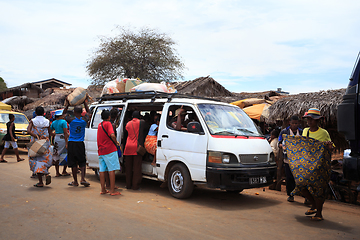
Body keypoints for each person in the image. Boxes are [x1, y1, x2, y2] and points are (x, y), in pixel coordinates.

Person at [287, 108, 333, 221]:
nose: (309, 121)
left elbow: (330, 148)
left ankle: (319, 214)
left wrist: (328, 146)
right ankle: (313, 205)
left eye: (312, 119)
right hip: (307, 165)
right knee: (300, 184)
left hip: (319, 166)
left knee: (319, 189)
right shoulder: (305, 131)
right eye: (308, 119)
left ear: (318, 121)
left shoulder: (323, 133)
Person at [63, 98, 90, 187]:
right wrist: (85, 103)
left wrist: (67, 104)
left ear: (74, 112)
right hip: (80, 143)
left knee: (73, 163)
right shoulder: (84, 121)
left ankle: (75, 181)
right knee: (82, 162)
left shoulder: (71, 121)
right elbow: (89, 113)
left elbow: (64, 114)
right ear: (82, 112)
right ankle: (82, 178)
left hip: (72, 143)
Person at [278, 115, 303, 202]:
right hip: (287, 159)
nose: (294, 125)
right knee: (289, 177)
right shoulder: (284, 132)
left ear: (298, 123)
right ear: (290, 123)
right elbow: (279, 142)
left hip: (299, 159)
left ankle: (302, 194)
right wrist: (282, 146)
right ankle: (290, 195)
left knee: (298, 177)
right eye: (293, 123)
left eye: (296, 123)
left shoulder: (301, 132)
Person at [27, 106, 53, 187]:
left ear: (36, 112)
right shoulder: (47, 121)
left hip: (36, 143)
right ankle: (46, 174)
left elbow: (28, 130)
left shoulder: (33, 121)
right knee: (44, 159)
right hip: (45, 143)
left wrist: (35, 135)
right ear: (43, 113)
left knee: (36, 160)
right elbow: (50, 133)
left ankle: (40, 181)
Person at [97, 110, 121, 196]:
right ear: (109, 117)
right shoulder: (108, 124)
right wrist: (116, 142)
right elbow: (112, 135)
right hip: (109, 149)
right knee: (111, 170)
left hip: (101, 150)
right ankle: (112, 190)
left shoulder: (100, 125)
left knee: (102, 170)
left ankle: (103, 189)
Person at [123, 111, 146, 190]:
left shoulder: (128, 124)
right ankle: (135, 186)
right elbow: (146, 128)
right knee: (136, 168)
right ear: (139, 116)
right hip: (136, 147)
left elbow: (126, 132)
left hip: (128, 147)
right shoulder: (141, 123)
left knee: (128, 168)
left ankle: (128, 185)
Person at [50, 110, 70, 177]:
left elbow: (50, 131)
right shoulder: (64, 122)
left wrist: (54, 134)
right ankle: (64, 170)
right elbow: (65, 133)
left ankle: (57, 172)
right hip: (63, 139)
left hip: (56, 138)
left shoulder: (54, 122)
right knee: (65, 154)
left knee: (56, 155)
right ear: (60, 116)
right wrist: (67, 143)